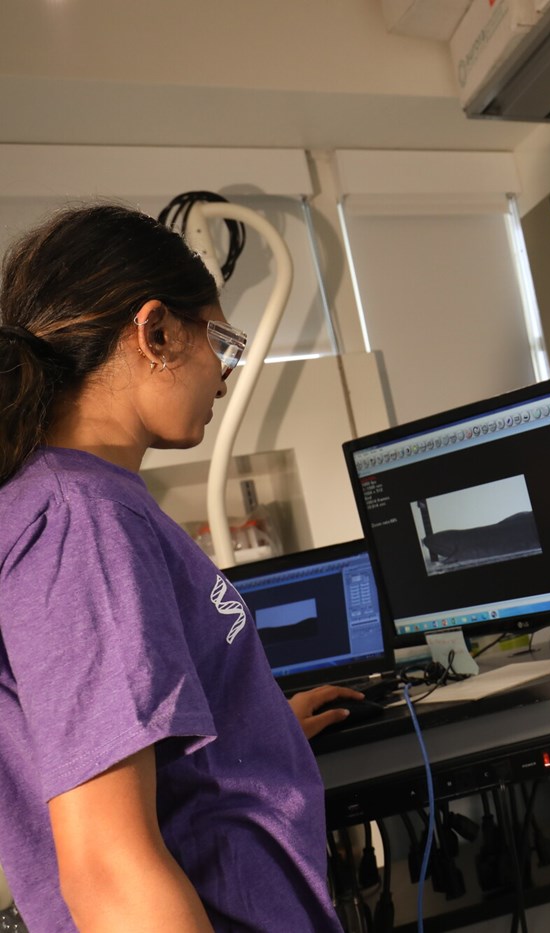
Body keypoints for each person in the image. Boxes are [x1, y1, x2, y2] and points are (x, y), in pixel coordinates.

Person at [0, 204, 364, 931]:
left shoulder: (73, 501)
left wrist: (252, 730)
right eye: (221, 341)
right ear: (157, 332)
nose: (225, 375)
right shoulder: (82, 518)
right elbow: (108, 868)